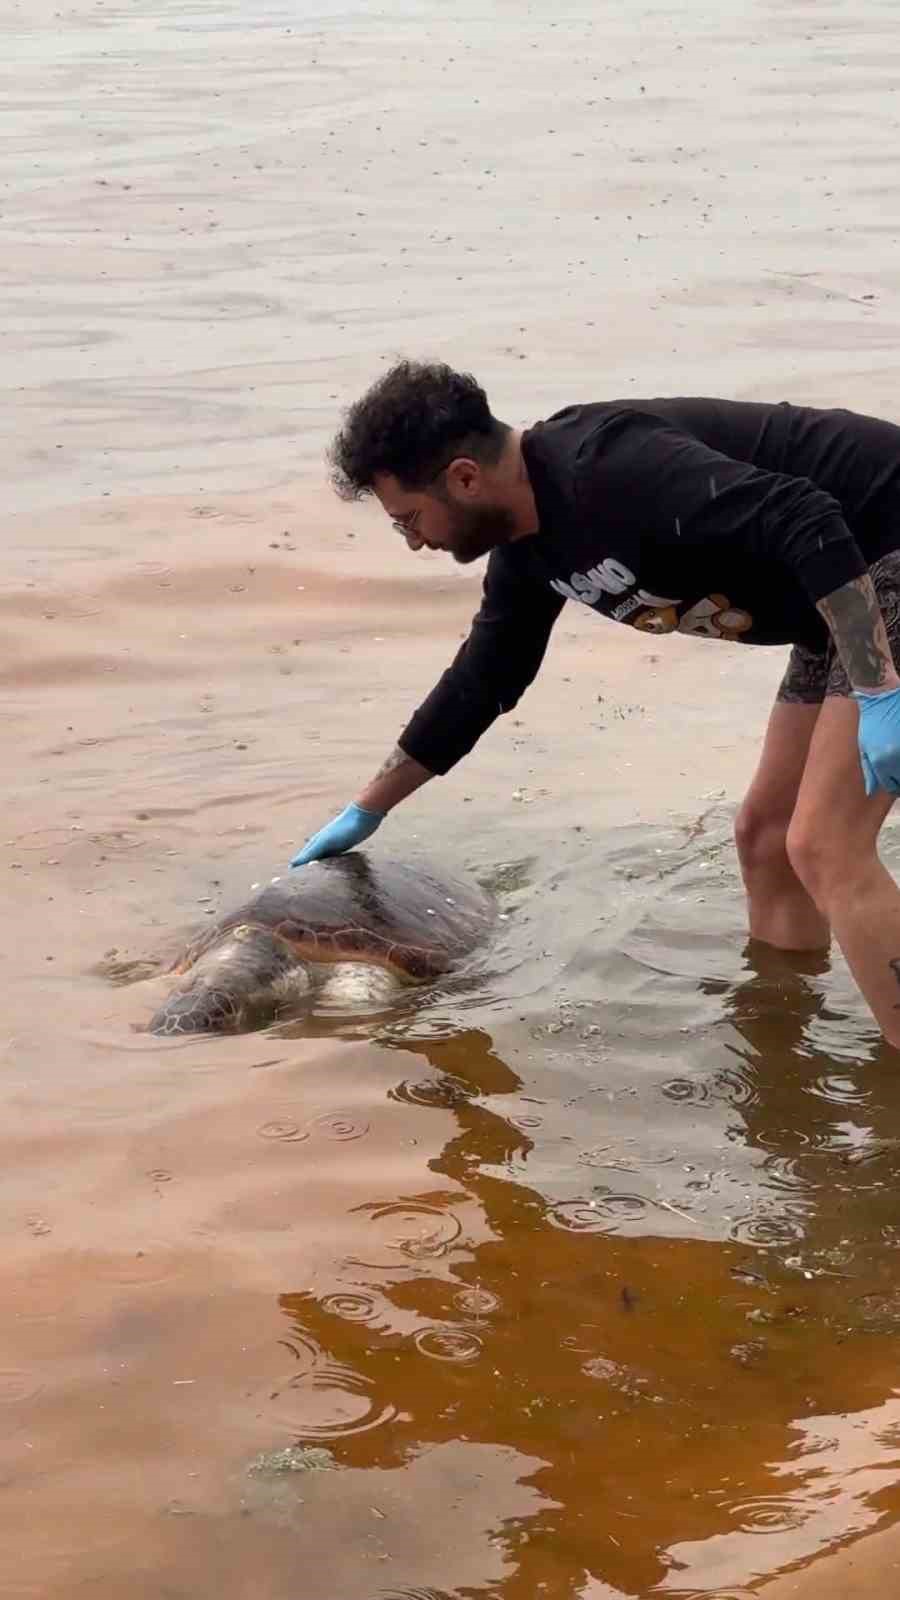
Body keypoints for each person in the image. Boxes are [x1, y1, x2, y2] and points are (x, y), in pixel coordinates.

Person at [290, 360, 900, 1046]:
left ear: (464, 478)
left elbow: (805, 515)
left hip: (881, 551)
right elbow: (482, 681)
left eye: (410, 519)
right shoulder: (528, 550)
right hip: (842, 598)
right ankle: (787, 1048)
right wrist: (368, 808)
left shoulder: (611, 470)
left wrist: (880, 692)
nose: (414, 541)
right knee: (765, 838)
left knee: (824, 844)